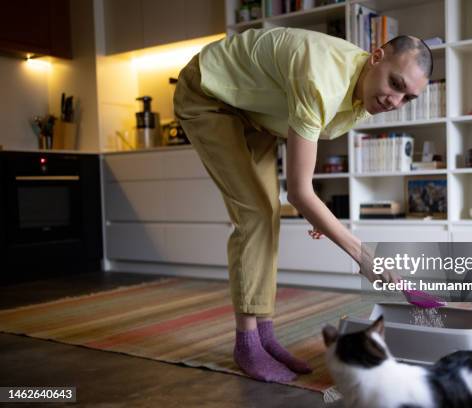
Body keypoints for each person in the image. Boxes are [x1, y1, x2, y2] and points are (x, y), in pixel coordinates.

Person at [173, 27, 432, 383]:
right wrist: (365, 257)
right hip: (209, 92)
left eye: (408, 98)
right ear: (376, 57)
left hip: (255, 114)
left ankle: (263, 336)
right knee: (256, 215)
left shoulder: (368, 92)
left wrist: (317, 213)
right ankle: (247, 344)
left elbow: (302, 184)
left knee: (268, 214)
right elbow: (299, 191)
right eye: (396, 84)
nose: (395, 101)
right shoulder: (322, 78)